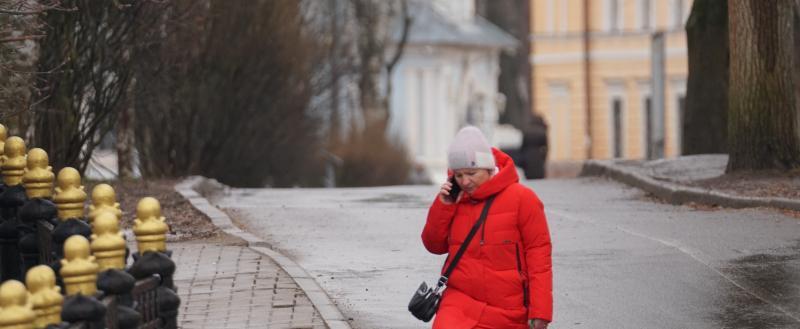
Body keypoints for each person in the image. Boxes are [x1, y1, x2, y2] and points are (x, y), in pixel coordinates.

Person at [421, 126, 552, 329]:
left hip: (509, 311)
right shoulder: (454, 200)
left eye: (471, 173)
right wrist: (443, 206)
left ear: (489, 168)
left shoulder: (523, 199)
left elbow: (539, 257)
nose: (465, 181)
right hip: (458, 305)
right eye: (458, 175)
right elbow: (434, 245)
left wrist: (540, 312)